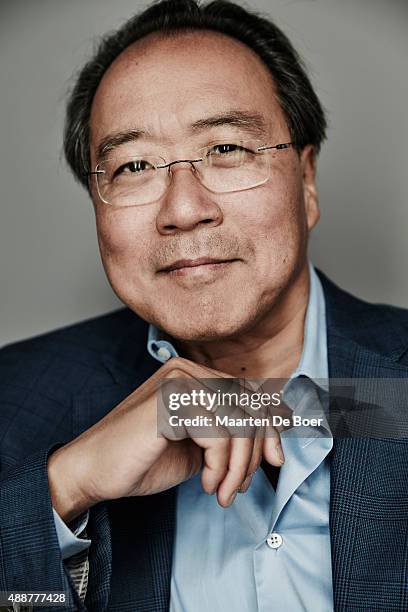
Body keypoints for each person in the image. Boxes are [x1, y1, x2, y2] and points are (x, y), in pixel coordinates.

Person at [1, 1, 407, 611]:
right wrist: (65, 488)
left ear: (307, 181)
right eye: (134, 165)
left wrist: (323, 405)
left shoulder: (394, 383)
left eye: (226, 150)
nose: (185, 209)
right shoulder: (15, 398)